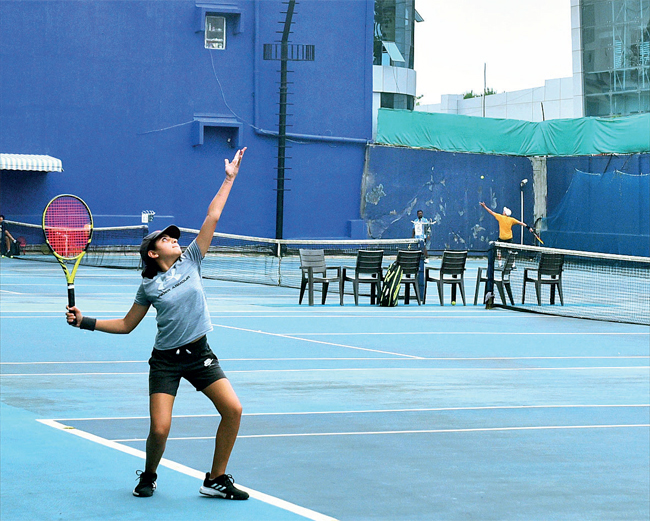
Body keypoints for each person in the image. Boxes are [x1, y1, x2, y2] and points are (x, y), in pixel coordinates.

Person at [66, 148, 249, 500]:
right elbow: (126, 324)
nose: (175, 239)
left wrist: (229, 178)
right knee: (161, 429)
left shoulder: (192, 259)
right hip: (165, 360)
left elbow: (212, 216)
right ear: (153, 252)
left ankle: (216, 478)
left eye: (174, 237)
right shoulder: (148, 286)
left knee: (233, 409)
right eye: (167, 238)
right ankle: (149, 474)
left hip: (200, 353)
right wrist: (84, 321)